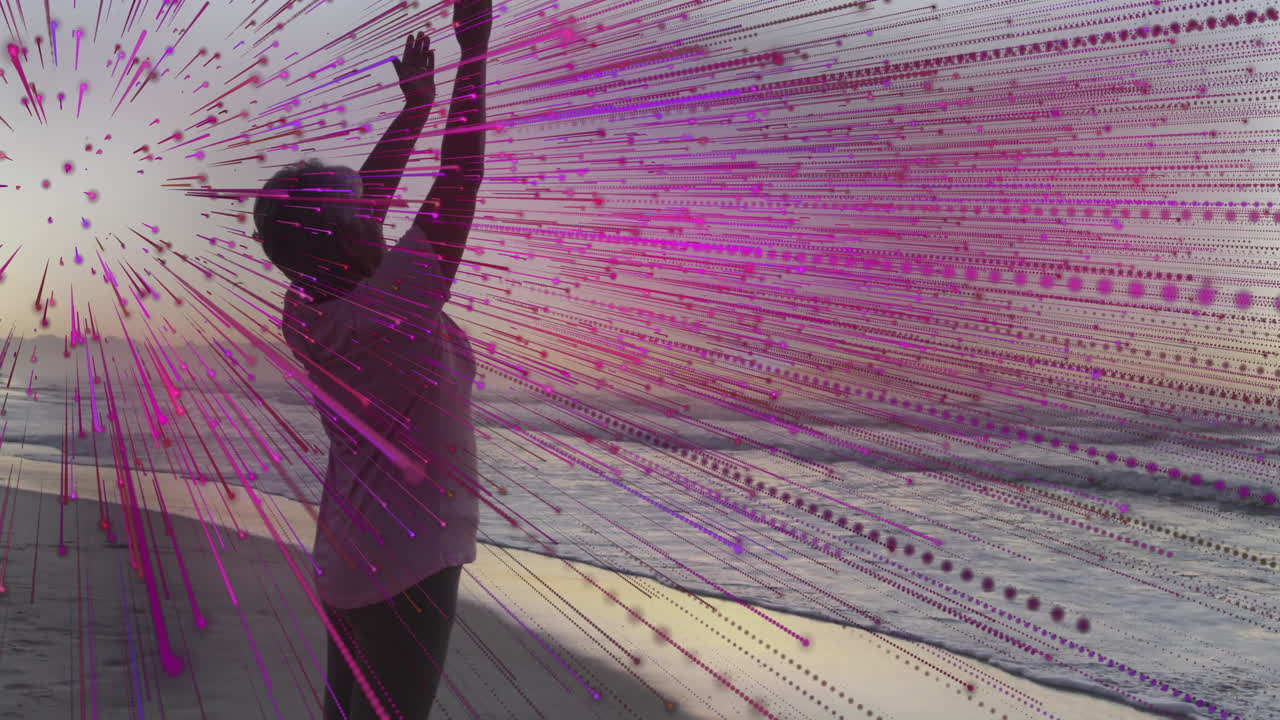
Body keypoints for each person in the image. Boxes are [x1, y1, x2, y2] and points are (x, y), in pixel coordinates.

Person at [252, 1, 492, 717]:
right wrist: (473, 50)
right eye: (360, 210)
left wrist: (414, 109)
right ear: (350, 236)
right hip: (406, 557)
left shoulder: (311, 307)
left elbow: (361, 203)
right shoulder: (391, 306)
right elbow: (460, 178)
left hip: (355, 548)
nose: (373, 205)